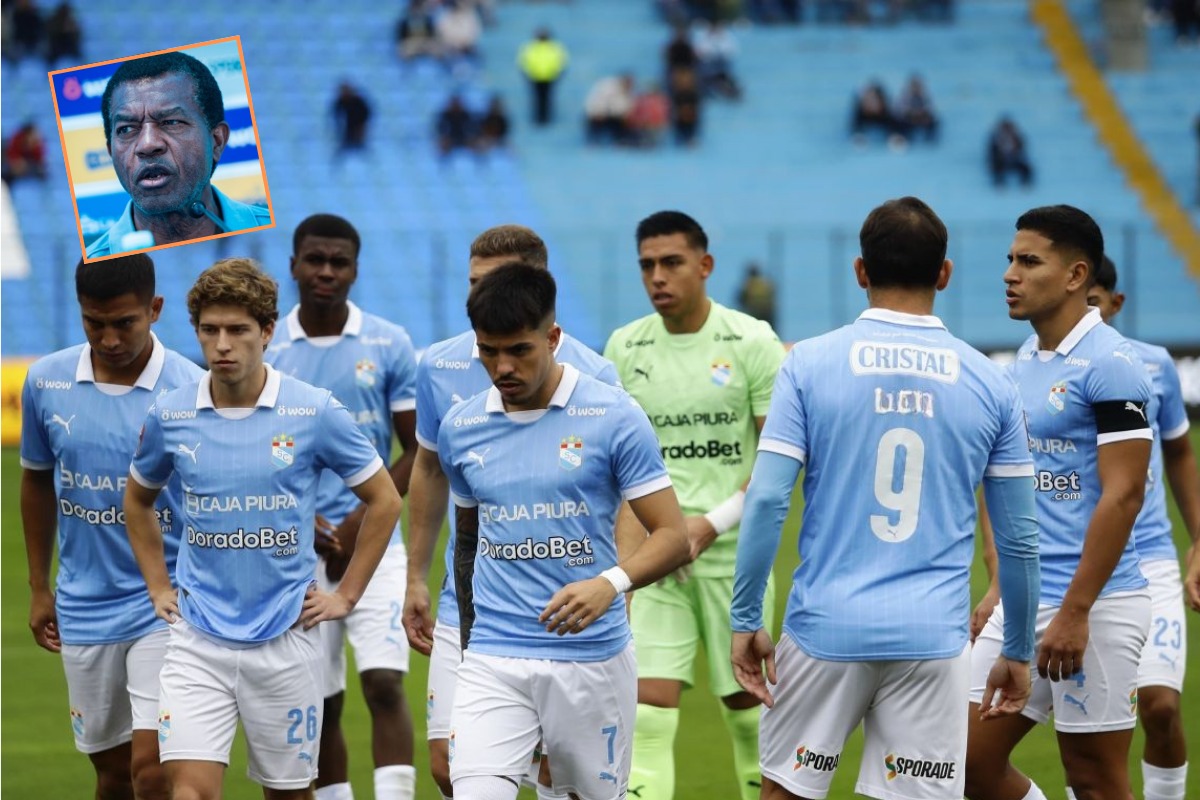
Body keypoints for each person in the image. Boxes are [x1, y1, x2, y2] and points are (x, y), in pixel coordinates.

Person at [730, 196, 1041, 800]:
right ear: (945, 274)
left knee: (784, 795)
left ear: (859, 270)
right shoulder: (991, 382)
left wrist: (746, 618)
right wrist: (1019, 647)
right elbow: (1020, 538)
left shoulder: (807, 365)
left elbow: (767, 500)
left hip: (826, 629)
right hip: (933, 637)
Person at [123, 258, 403, 800]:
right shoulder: (172, 414)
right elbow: (137, 500)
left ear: (267, 331)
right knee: (187, 792)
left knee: (291, 795)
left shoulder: (313, 410)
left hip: (287, 641)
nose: (222, 344)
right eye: (210, 330)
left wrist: (345, 596)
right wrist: (159, 585)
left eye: (238, 330)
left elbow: (385, 500)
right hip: (197, 639)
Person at [439, 263, 691, 800]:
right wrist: (467, 642)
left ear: (553, 337)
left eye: (519, 350)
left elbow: (672, 534)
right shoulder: (460, 428)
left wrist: (611, 583)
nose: (502, 366)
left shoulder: (614, 415)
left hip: (590, 658)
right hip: (494, 655)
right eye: (488, 351)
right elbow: (467, 541)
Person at [401, 225, 622, 800]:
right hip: (472, 603)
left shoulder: (595, 377)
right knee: (450, 769)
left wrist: (617, 588)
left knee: (558, 777)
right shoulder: (441, 366)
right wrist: (415, 577)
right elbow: (428, 471)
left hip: (566, 611)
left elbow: (624, 497)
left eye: (494, 283)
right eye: (473, 283)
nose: (480, 297)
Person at [964, 206, 1153, 800]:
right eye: (1010, 260)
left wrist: (1076, 610)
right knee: (960, 763)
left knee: (1094, 778)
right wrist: (1000, 586)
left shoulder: (1114, 364)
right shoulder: (1024, 359)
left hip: (1096, 604)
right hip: (1024, 601)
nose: (1009, 274)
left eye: (1028, 261)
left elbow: (1123, 495)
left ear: (1075, 276)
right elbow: (1015, 482)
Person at [603, 211, 787, 800]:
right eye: (647, 266)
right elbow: (616, 468)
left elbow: (778, 461)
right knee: (647, 712)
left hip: (736, 557)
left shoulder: (752, 341)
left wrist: (710, 523)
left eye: (672, 263)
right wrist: (637, 561)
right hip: (657, 560)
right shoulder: (625, 347)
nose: (657, 276)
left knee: (746, 705)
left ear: (704, 266)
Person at [20, 254, 204, 800]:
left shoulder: (190, 388)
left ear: (155, 309)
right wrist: (38, 587)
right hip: (83, 604)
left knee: (152, 769)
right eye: (92, 323)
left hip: (167, 602)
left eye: (124, 322)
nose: (108, 338)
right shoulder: (45, 380)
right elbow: (35, 481)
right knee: (112, 775)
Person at [265, 216, 420, 800]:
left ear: (355, 268)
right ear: (294, 265)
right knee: (321, 699)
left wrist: (361, 517)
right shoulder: (270, 347)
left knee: (383, 683)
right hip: (295, 551)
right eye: (315, 259)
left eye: (339, 261)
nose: (326, 271)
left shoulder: (388, 342)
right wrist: (305, 521)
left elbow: (415, 447)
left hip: (375, 542)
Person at [1085, 256, 1198, 800]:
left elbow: (1178, 450)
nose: (1086, 311)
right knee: (1081, 732)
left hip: (1148, 558)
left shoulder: (1153, 367)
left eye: (1094, 301)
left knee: (1160, 704)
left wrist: (1199, 539)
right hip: (1071, 564)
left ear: (1115, 303)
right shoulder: (1038, 370)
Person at [86, 51, 272, 260]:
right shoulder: (94, 262)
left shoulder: (269, 232)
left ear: (217, 140)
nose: (147, 145)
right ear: (111, 152)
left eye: (171, 122)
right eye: (127, 129)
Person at [517, 28, 568, 126]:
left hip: (550, 78)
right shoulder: (530, 47)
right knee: (537, 99)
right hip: (535, 78)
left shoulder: (555, 47)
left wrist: (557, 74)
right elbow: (523, 62)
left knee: (547, 99)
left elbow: (562, 62)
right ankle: (537, 119)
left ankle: (546, 119)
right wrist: (527, 74)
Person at [584, 74, 636, 147]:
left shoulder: (629, 93)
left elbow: (625, 108)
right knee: (597, 120)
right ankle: (593, 142)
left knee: (623, 122)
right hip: (597, 113)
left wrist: (625, 116)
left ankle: (620, 141)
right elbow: (597, 101)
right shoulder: (607, 86)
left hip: (613, 116)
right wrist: (599, 112)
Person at [987, 116, 1034, 188]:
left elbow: (1022, 151)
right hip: (1001, 161)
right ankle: (999, 184)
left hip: (1014, 160)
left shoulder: (1017, 138)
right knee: (997, 168)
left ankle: (1026, 183)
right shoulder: (996, 139)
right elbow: (992, 154)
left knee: (1026, 168)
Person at [333, 82, 373, 156]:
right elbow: (336, 113)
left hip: (359, 122)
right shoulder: (340, 101)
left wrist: (362, 124)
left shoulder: (358, 101)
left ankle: (361, 150)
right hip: (348, 123)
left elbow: (367, 112)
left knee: (357, 139)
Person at [895, 74, 939, 143]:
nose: (916, 89)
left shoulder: (924, 98)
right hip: (908, 119)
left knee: (933, 121)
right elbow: (901, 111)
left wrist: (921, 113)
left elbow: (930, 110)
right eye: (914, 87)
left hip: (921, 118)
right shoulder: (905, 97)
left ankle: (930, 139)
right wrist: (913, 113)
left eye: (918, 87)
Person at [735, 262, 776, 329]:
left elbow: (740, 299)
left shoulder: (747, 285)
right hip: (767, 313)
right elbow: (772, 295)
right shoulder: (766, 284)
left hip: (753, 313)